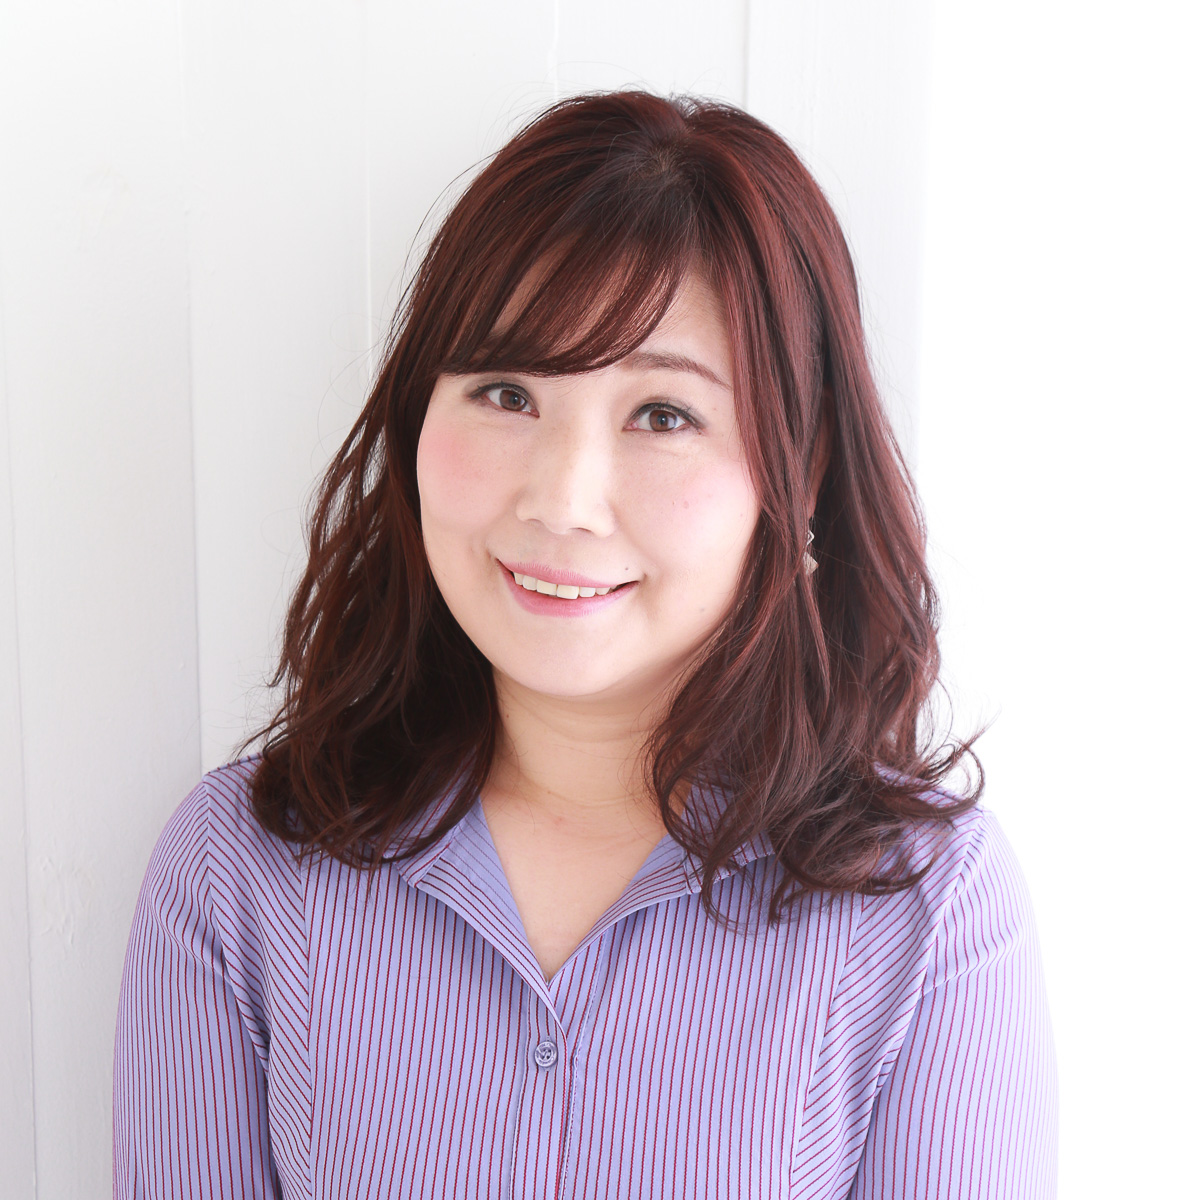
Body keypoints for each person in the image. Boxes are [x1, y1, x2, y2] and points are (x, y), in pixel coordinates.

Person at [113, 90, 1057, 1198]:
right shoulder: (237, 871)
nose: (563, 499)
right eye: (507, 392)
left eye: (664, 415)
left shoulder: (927, 911)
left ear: (797, 477)